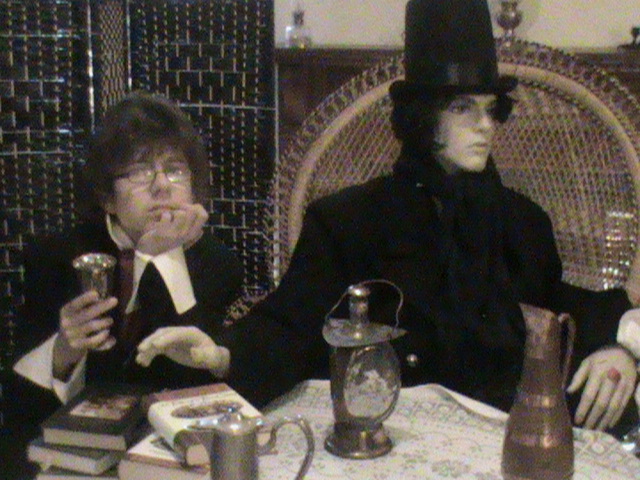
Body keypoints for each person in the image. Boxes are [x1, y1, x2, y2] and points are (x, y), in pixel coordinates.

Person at [211, 0, 640, 435]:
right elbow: (291, 325)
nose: (485, 125)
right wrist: (224, 355)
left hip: (503, 434)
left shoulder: (524, 223)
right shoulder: (348, 221)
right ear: (424, 116)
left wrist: (621, 349)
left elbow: (556, 313)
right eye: (462, 107)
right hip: (389, 437)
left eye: (491, 108)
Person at [7, 91, 243, 477]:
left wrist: (162, 260)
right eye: (139, 172)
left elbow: (194, 385)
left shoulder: (218, 264)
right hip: (70, 452)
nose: (162, 186)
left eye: (175, 170)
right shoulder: (56, 257)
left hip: (169, 457)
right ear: (107, 198)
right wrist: (64, 352)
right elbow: (18, 402)